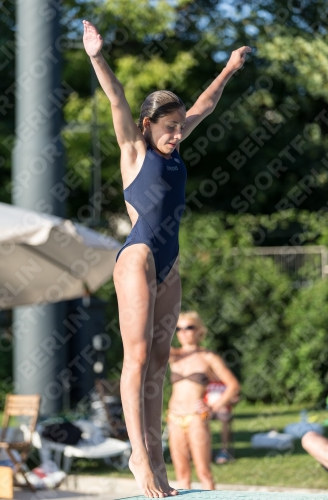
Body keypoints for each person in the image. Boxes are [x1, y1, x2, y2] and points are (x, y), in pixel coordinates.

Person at [82, 19, 250, 498]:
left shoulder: (176, 143)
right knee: (136, 359)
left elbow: (204, 105)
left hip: (169, 262)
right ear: (147, 125)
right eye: (169, 128)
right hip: (136, 257)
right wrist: (96, 55)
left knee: (159, 361)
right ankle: (139, 456)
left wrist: (230, 68)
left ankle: (155, 456)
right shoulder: (135, 149)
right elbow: (116, 97)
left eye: (179, 129)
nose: (177, 135)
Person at [168, 311, 240, 490]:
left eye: (188, 327)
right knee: (181, 474)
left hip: (195, 417)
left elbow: (233, 385)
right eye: (178, 329)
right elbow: (150, 342)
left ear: (199, 331)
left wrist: (213, 406)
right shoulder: (173, 355)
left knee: (203, 472)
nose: (183, 332)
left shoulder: (208, 357)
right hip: (174, 417)